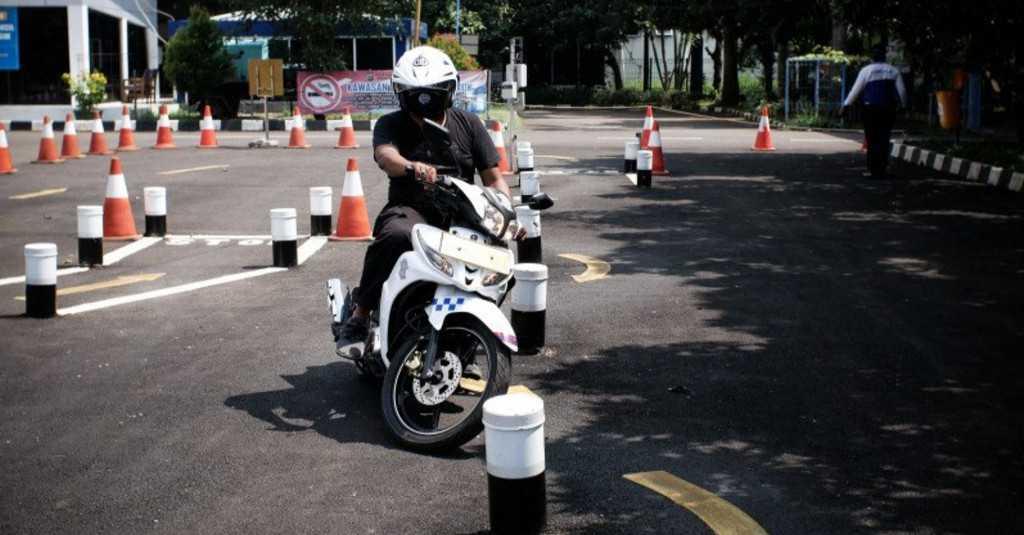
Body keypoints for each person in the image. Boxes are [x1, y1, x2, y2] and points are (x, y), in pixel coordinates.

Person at [334, 46, 512, 353]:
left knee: (501, 256)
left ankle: (475, 326)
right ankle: (360, 314)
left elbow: (493, 178)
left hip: (464, 214)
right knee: (395, 236)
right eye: (415, 95)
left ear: (449, 91)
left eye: (432, 94)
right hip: (410, 209)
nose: (423, 101)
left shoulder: (469, 124)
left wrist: (506, 213)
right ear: (402, 94)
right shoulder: (390, 124)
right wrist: (412, 167)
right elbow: (386, 156)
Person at [841, 45, 907, 179]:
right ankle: (883, 168)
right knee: (884, 137)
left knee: (871, 138)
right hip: (888, 109)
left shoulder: (866, 70)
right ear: (884, 56)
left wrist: (846, 105)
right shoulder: (893, 70)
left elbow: (856, 90)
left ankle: (872, 169)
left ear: (872, 57)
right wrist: (904, 105)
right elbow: (902, 91)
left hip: (870, 109)